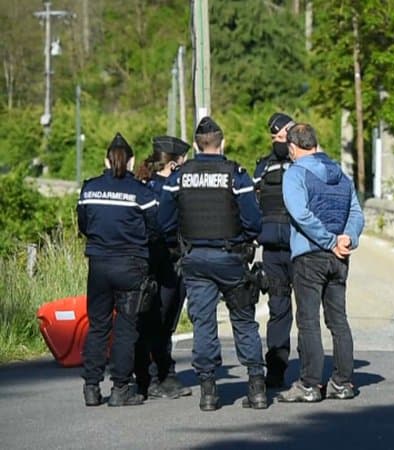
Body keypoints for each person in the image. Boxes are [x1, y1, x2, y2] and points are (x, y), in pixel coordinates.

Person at [158, 117, 267, 411]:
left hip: (194, 260)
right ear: (223, 143)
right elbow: (253, 221)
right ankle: (257, 388)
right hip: (231, 257)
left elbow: (164, 221)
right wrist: (245, 240)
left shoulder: (179, 177)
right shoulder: (236, 174)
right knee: (243, 320)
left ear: (195, 145)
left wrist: (178, 244)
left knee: (203, 323)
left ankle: (208, 392)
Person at [277, 123, 364, 403]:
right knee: (338, 320)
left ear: (292, 148)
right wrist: (346, 239)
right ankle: (342, 382)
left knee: (309, 321)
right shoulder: (341, 174)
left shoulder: (295, 173)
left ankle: (310, 384)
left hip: (309, 256)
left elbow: (300, 214)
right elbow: (356, 212)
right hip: (339, 258)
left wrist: (327, 241)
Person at [77, 132, 158, 407]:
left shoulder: (89, 189)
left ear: (106, 159)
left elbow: (84, 226)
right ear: (132, 161)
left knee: (98, 326)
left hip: (98, 265)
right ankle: (121, 388)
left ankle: (91, 386)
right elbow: (154, 228)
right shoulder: (141, 193)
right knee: (125, 328)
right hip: (131, 266)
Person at [133, 135, 192, 399]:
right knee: (158, 319)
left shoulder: (145, 184)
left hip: (164, 259)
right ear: (175, 163)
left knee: (162, 320)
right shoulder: (162, 188)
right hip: (165, 259)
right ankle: (154, 376)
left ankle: (162, 372)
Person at [253, 112, 295, 388]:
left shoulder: (304, 163)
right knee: (278, 308)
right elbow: (251, 203)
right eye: (278, 137)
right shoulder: (262, 168)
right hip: (272, 249)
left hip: (300, 246)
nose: (282, 141)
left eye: (287, 136)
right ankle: (276, 369)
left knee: (307, 311)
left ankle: (310, 371)